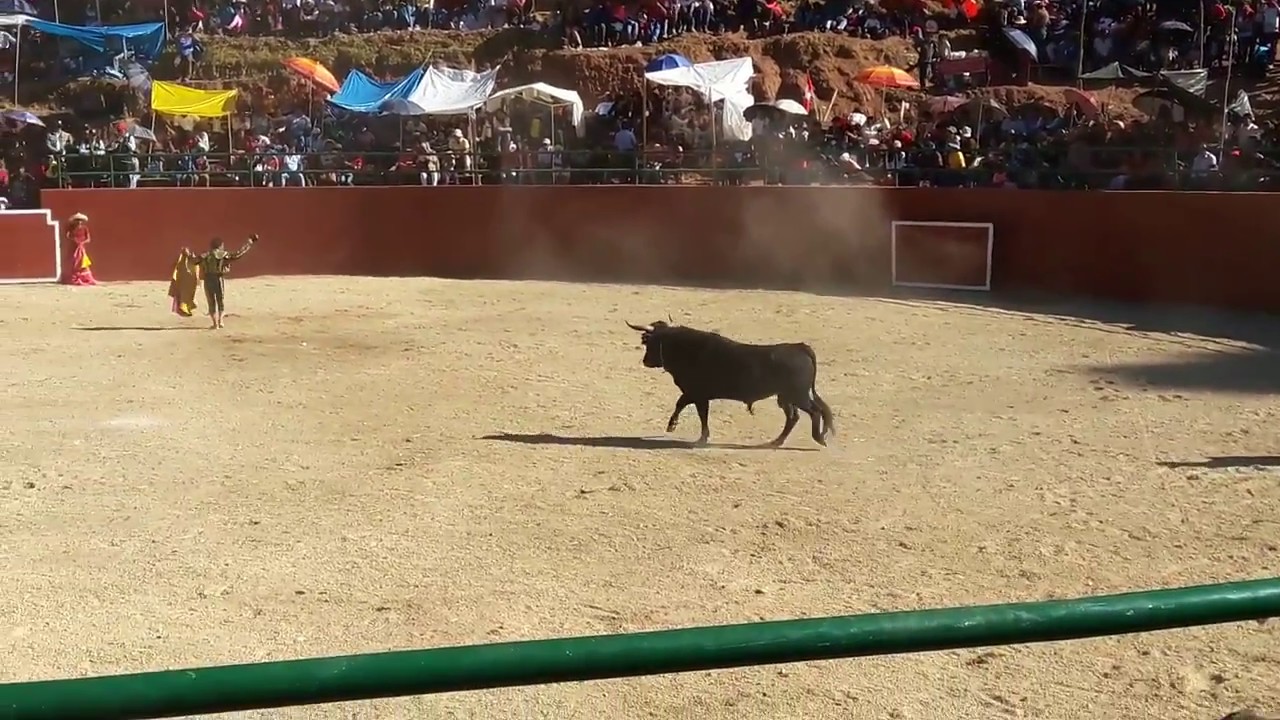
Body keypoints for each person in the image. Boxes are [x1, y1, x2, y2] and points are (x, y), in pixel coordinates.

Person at [183, 235, 257, 329]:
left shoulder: (205, 255)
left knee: (211, 301)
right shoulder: (223, 254)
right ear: (221, 246)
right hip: (219, 278)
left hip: (208, 279)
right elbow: (238, 254)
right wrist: (249, 243)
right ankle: (220, 321)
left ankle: (215, 324)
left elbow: (193, 261)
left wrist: (188, 254)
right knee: (220, 300)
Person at [62, 212, 97, 286]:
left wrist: (82, 243)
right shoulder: (72, 229)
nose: (79, 222)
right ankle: (73, 277)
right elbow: (68, 236)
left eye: (80, 220)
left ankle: (83, 277)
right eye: (77, 220)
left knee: (81, 261)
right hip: (73, 247)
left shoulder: (84, 228)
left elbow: (88, 239)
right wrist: (74, 241)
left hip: (81, 247)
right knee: (74, 260)